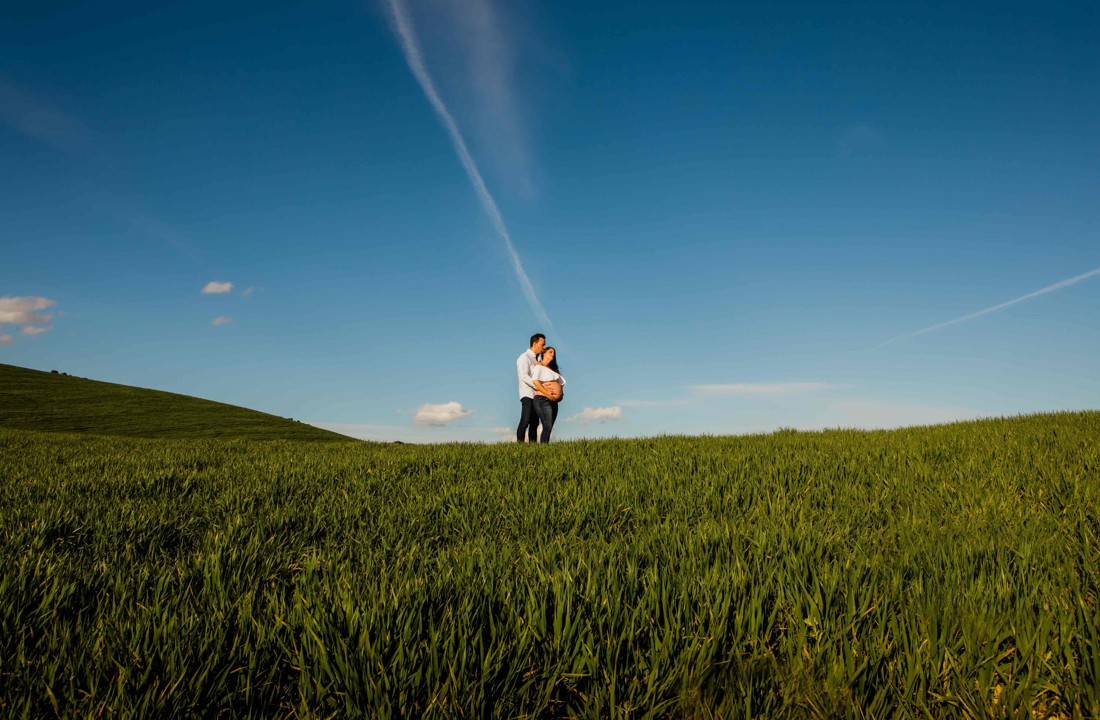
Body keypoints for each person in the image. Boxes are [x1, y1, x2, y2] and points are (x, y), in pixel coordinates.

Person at [531, 346, 566, 444]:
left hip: (553, 401)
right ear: (544, 354)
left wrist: (560, 395)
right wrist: (547, 394)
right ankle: (543, 448)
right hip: (543, 399)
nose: (553, 354)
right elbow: (535, 381)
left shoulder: (553, 370)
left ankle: (545, 447)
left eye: (554, 353)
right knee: (547, 425)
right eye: (550, 352)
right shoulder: (539, 367)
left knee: (549, 427)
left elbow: (560, 385)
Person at [516, 333, 545, 442]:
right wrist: (538, 386)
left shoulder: (538, 360)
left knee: (535, 423)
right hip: (527, 394)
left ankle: (532, 447)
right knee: (525, 420)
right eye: (542, 344)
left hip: (536, 395)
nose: (544, 347)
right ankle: (520, 446)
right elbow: (524, 376)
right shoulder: (524, 357)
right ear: (535, 344)